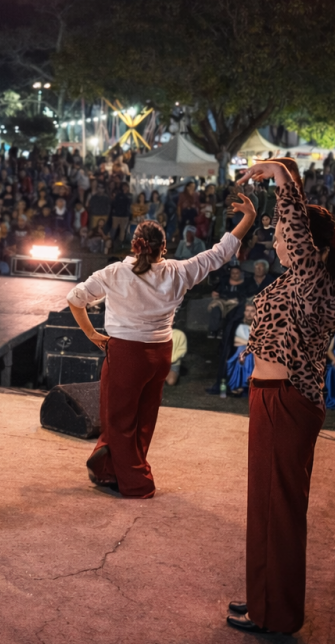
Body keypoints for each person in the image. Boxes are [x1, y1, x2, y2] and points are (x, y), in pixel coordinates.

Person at [227, 158, 335, 636]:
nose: (276, 240)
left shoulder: (315, 279)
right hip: (271, 398)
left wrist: (279, 173)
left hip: (287, 402)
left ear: (307, 246)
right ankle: (263, 600)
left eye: (283, 234)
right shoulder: (299, 280)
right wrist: (287, 174)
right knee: (265, 505)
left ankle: (276, 614)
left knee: (279, 510)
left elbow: (295, 226)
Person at [69, 192, 255, 499]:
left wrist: (91, 334)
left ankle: (136, 482)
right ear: (164, 247)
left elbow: (74, 299)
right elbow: (220, 253)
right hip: (159, 354)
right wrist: (247, 218)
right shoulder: (178, 272)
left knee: (118, 420)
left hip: (125, 353)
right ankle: (114, 469)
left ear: (134, 244)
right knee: (143, 418)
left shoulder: (114, 273)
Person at [208, 265, 253, 338]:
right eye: (233, 273)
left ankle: (223, 330)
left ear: (241, 273)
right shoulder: (224, 281)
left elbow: (246, 295)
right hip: (222, 301)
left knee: (233, 312)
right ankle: (213, 330)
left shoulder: (246, 283)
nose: (235, 275)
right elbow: (217, 291)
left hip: (236, 303)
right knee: (216, 309)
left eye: (237, 273)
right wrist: (216, 293)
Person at [225, 302, 257, 396]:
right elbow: (235, 341)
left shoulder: (260, 326)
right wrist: (250, 344)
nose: (249, 314)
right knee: (243, 351)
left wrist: (247, 343)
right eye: (247, 311)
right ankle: (244, 383)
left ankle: (243, 384)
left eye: (252, 311)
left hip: (257, 354)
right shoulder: (239, 325)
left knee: (245, 351)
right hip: (241, 353)